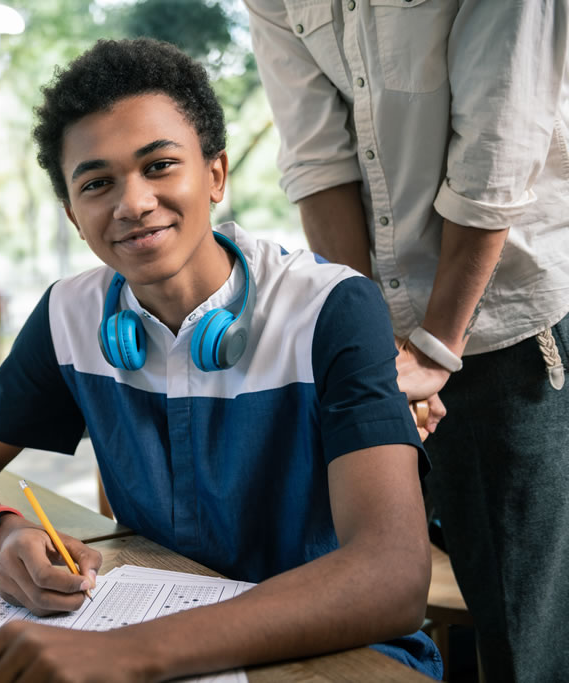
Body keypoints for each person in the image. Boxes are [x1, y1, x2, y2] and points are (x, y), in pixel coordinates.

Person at [0, 38, 442, 682]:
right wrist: (2, 536)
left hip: (328, 652)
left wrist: (120, 655)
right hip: (152, 636)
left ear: (216, 174)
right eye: (96, 183)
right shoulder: (68, 315)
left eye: (160, 165)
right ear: (71, 214)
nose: (133, 203)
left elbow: (391, 577)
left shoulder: (333, 307)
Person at [243, 2, 569, 680]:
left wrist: (433, 348)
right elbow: (317, 160)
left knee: (525, 635)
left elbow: (496, 147)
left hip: (502, 325)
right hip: (392, 341)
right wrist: (377, 346)